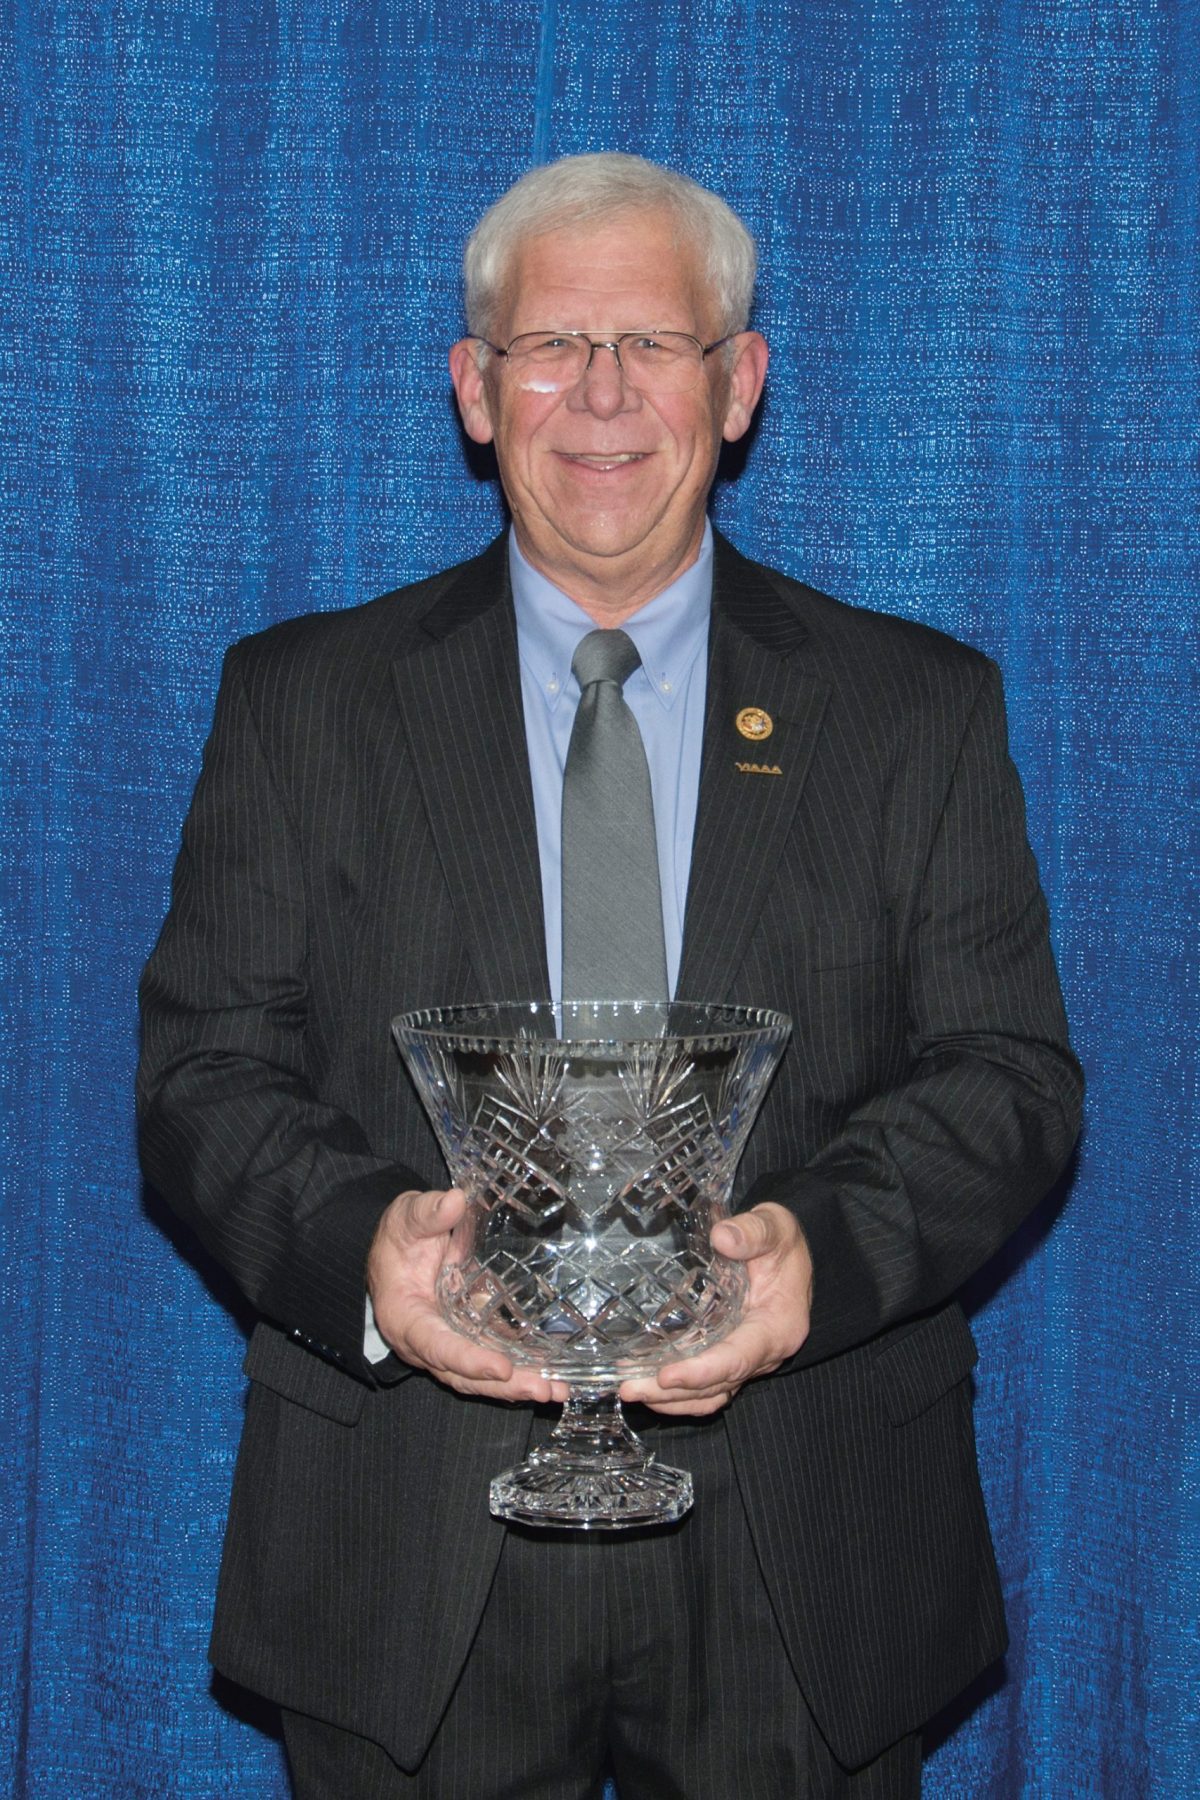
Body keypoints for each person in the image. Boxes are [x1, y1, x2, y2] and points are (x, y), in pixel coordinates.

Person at [138, 153, 1083, 1799]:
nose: (600, 394)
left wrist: (818, 1260)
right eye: (549, 347)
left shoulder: (917, 713)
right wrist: (371, 1253)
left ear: (739, 387)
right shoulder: (299, 703)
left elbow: (1010, 1080)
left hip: (806, 1538)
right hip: (409, 1544)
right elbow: (202, 1080)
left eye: (653, 344)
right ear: (472, 389)